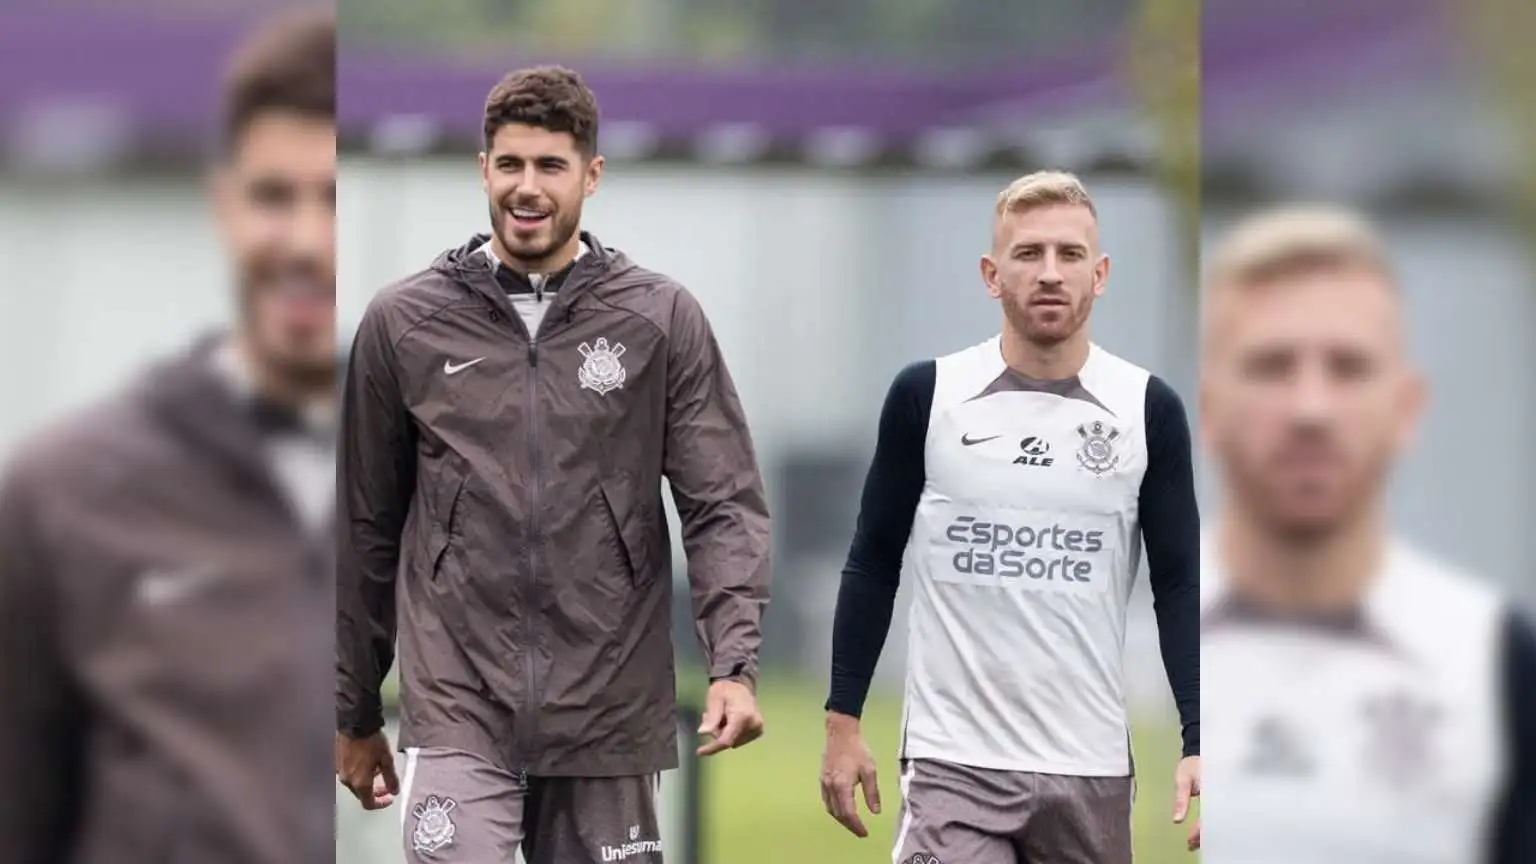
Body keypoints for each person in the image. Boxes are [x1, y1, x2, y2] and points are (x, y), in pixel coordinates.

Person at [334, 66, 772, 863]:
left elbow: (722, 502)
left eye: (549, 166)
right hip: (458, 701)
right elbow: (365, 526)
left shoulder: (658, 319)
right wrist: (354, 708)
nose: (526, 188)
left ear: (591, 175)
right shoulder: (404, 323)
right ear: (483, 169)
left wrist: (734, 663)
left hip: (609, 709)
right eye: (510, 165)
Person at [0, 10, 338, 863]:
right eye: (274, 196)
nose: (306, 241)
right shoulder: (63, 495)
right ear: (223, 205)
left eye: (338, 198)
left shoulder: (493, 477)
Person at [820, 170, 1201, 863]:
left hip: (1088, 766)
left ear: (1101, 273)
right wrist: (842, 723)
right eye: (1028, 254)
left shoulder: (1149, 410)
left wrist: (1199, 739)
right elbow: (873, 560)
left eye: (1069, 254)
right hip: (952, 761)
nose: (1050, 273)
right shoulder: (927, 395)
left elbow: (1178, 586)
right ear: (992, 275)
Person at [1198, 204, 1536, 863]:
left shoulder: (1495, 660)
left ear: (1406, 408)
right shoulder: (1122, 654)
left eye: (1348, 368)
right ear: (1210, 409)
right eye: (1272, 366)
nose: (1311, 409)